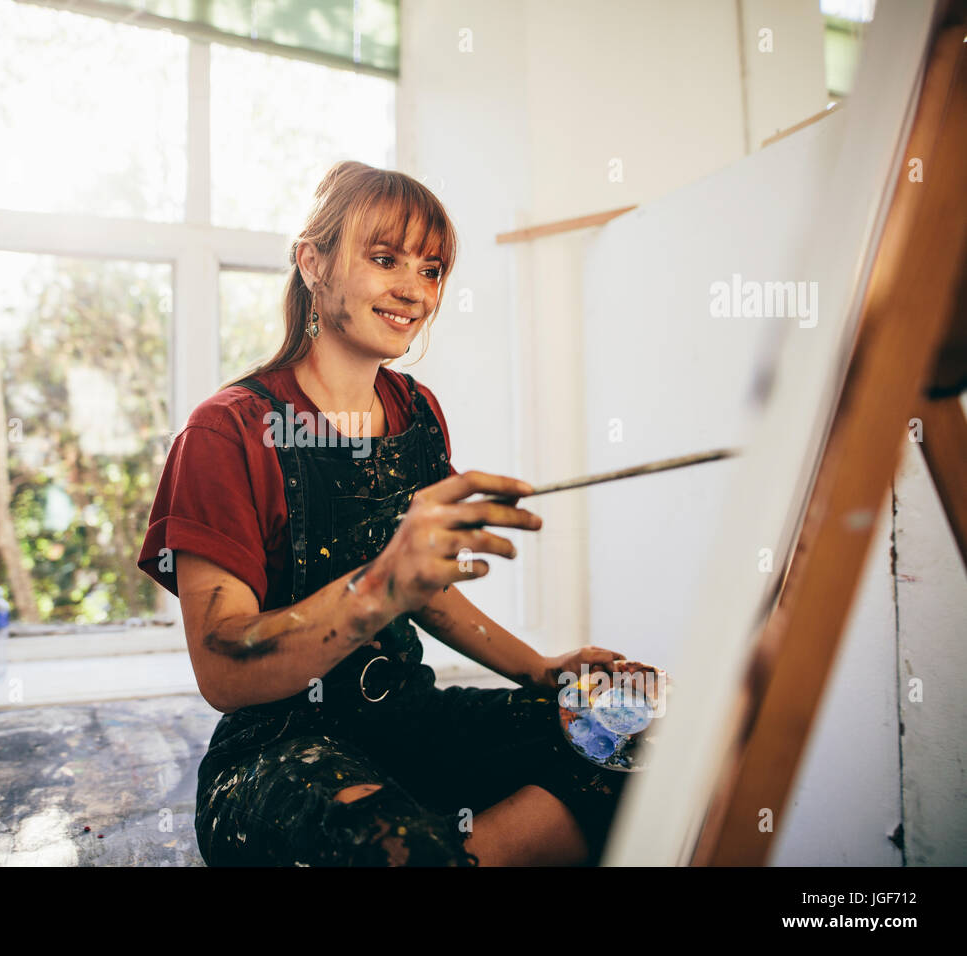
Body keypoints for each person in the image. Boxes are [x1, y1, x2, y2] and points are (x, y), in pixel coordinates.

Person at [138, 160, 638, 866]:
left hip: (406, 715)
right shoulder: (226, 431)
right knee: (390, 850)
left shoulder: (415, 411)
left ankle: (457, 853)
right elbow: (223, 673)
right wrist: (381, 586)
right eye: (384, 259)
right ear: (313, 263)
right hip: (279, 751)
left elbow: (425, 592)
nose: (413, 289)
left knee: (637, 733)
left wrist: (541, 670)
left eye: (431, 270)